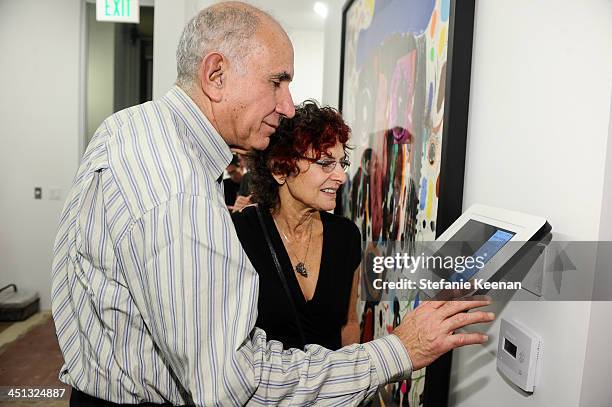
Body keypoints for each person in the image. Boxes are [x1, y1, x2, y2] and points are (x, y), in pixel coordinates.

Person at [50, 2, 495, 406]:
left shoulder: (132, 128)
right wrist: (398, 351)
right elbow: (233, 384)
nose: (286, 105)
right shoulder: (180, 193)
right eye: (277, 81)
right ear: (216, 75)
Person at [232, 101, 361, 351]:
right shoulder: (241, 233)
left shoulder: (346, 237)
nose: (341, 176)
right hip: (266, 387)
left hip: (330, 387)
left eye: (342, 163)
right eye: (325, 163)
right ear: (281, 169)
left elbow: (349, 324)